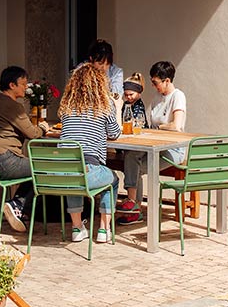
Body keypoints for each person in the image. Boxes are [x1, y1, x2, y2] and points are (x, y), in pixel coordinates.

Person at [59, 61, 122, 244]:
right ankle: (103, 229)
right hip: (88, 168)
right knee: (113, 180)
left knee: (74, 176)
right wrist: (117, 107)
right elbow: (115, 133)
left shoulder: (67, 107)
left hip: (60, 174)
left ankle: (77, 228)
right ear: (100, 84)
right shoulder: (104, 106)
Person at [119, 61, 186, 224]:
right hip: (155, 146)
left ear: (167, 81)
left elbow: (176, 126)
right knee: (131, 156)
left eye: (156, 83)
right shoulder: (157, 98)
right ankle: (134, 206)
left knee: (134, 168)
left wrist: (160, 128)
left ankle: (134, 207)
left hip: (173, 150)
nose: (154, 86)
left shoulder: (177, 96)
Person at [0, 66, 49, 232]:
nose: (26, 88)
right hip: (8, 161)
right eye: (23, 84)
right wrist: (43, 128)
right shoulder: (14, 107)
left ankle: (17, 208)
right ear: (12, 85)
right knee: (44, 167)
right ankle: (17, 205)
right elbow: (32, 134)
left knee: (31, 167)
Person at [117, 73, 150, 222]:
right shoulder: (126, 105)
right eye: (126, 94)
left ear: (139, 93)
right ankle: (135, 209)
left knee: (132, 158)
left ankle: (132, 201)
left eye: (131, 94)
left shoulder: (138, 106)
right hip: (129, 144)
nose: (128, 97)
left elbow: (137, 124)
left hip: (141, 144)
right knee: (132, 163)